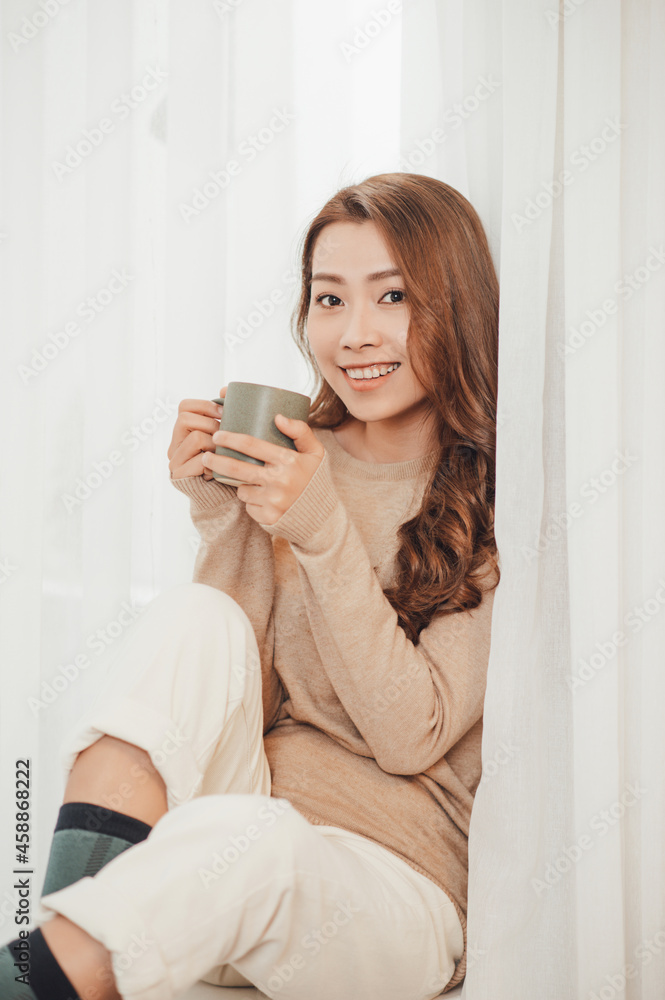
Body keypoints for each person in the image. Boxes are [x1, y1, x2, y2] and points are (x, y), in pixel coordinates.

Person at [0, 171, 500, 1000]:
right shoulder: (301, 459)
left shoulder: (492, 497)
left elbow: (409, 737)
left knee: (250, 841)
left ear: (454, 305)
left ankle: (37, 975)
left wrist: (319, 529)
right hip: (225, 861)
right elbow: (240, 686)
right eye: (329, 300)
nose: (354, 334)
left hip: (385, 897)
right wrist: (224, 516)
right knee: (198, 619)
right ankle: (58, 955)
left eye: (393, 297)